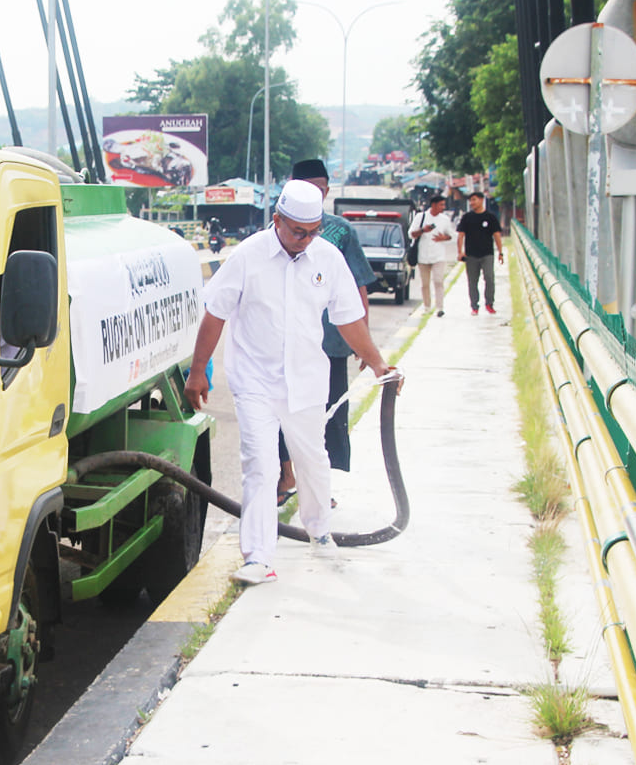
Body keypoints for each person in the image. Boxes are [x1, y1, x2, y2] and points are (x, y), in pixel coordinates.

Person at [183, 180, 392, 587]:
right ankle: (258, 557)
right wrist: (197, 371)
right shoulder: (248, 256)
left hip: (307, 382)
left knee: (312, 459)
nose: (306, 239)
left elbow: (348, 318)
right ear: (277, 220)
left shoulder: (327, 258)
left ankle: (318, 529)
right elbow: (215, 314)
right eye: (299, 231)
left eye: (313, 231)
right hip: (255, 382)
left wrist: (378, 362)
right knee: (260, 466)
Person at [277, 159, 376, 505]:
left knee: (328, 413)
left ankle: (319, 486)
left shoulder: (340, 231)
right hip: (287, 344)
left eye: (320, 188)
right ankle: (286, 474)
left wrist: (366, 344)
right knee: (283, 412)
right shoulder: (278, 229)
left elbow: (357, 286)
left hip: (332, 342)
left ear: (327, 190)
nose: (315, 194)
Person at [456, 191, 504, 315]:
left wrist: (500, 252)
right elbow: (461, 235)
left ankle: (489, 303)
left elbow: (497, 235)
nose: (472, 203)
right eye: (470, 200)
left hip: (487, 253)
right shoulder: (467, 217)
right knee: (472, 281)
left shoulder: (490, 217)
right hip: (471, 255)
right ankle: (474, 306)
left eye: (474, 200)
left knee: (489, 278)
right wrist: (460, 252)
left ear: (482, 200)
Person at [410, 195, 455, 317]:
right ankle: (427, 306)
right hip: (423, 255)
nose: (443, 207)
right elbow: (411, 234)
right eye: (441, 205)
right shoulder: (421, 217)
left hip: (438, 255)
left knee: (438, 281)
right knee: (425, 283)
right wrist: (423, 230)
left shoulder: (444, 219)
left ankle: (440, 307)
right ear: (434, 205)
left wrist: (443, 238)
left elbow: (451, 236)